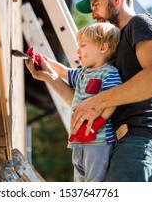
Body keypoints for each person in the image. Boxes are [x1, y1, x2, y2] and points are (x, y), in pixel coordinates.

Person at [27, 0, 152, 182]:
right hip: (117, 144)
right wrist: (49, 76)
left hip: (142, 141)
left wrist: (98, 101)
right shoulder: (111, 49)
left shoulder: (140, 24)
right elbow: (85, 103)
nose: (94, 14)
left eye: (96, 5)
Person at [26, 22, 122, 182]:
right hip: (78, 139)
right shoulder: (82, 74)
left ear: (103, 48)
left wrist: (100, 121)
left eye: (83, 45)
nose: (78, 50)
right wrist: (43, 61)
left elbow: (112, 101)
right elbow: (63, 71)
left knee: (94, 180)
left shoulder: (109, 73)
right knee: (79, 179)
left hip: (99, 139)